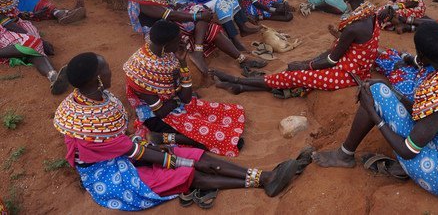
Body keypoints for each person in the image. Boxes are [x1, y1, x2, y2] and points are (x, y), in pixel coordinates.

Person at [54, 52, 304, 211]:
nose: (111, 71)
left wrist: (163, 152)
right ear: (97, 79)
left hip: (127, 153)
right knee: (184, 172)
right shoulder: (89, 122)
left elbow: (126, 143)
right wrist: (169, 158)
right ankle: (262, 183)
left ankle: (264, 176)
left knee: (196, 156)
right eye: (106, 68)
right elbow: (128, 149)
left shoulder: (95, 100)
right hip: (107, 174)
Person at [313, 22, 438, 199]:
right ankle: (349, 153)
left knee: (374, 93)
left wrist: (374, 114)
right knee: (380, 90)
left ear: (422, 57)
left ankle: (345, 155)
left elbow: (407, 150)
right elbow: (425, 113)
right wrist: (392, 90)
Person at [212, 0, 380, 96]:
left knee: (294, 75)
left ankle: (236, 81)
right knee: (294, 74)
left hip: (348, 75)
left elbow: (332, 60)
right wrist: (308, 62)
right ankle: (241, 88)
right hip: (355, 68)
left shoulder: (354, 27)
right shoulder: (371, 14)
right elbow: (336, 51)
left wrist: (305, 66)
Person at [124, 0, 265, 74]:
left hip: (170, 19)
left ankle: (241, 59)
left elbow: (170, 3)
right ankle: (200, 52)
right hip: (160, 30)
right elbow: (167, 14)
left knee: (205, 18)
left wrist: (191, 9)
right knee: (201, 16)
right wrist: (195, 16)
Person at [124, 20, 246, 157]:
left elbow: (185, 97)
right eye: (178, 40)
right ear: (166, 44)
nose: (182, 42)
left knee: (231, 113)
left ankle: (171, 136)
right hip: (155, 117)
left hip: (172, 104)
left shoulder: (166, 55)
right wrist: (178, 98)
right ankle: (161, 137)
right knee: (216, 137)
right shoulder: (140, 70)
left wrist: (182, 63)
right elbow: (161, 111)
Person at [0, 0, 68, 94]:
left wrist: (33, 15)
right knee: (33, 42)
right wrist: (39, 40)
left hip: (14, 24)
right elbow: (7, 23)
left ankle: (53, 76)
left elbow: (14, 13)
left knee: (33, 47)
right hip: (4, 29)